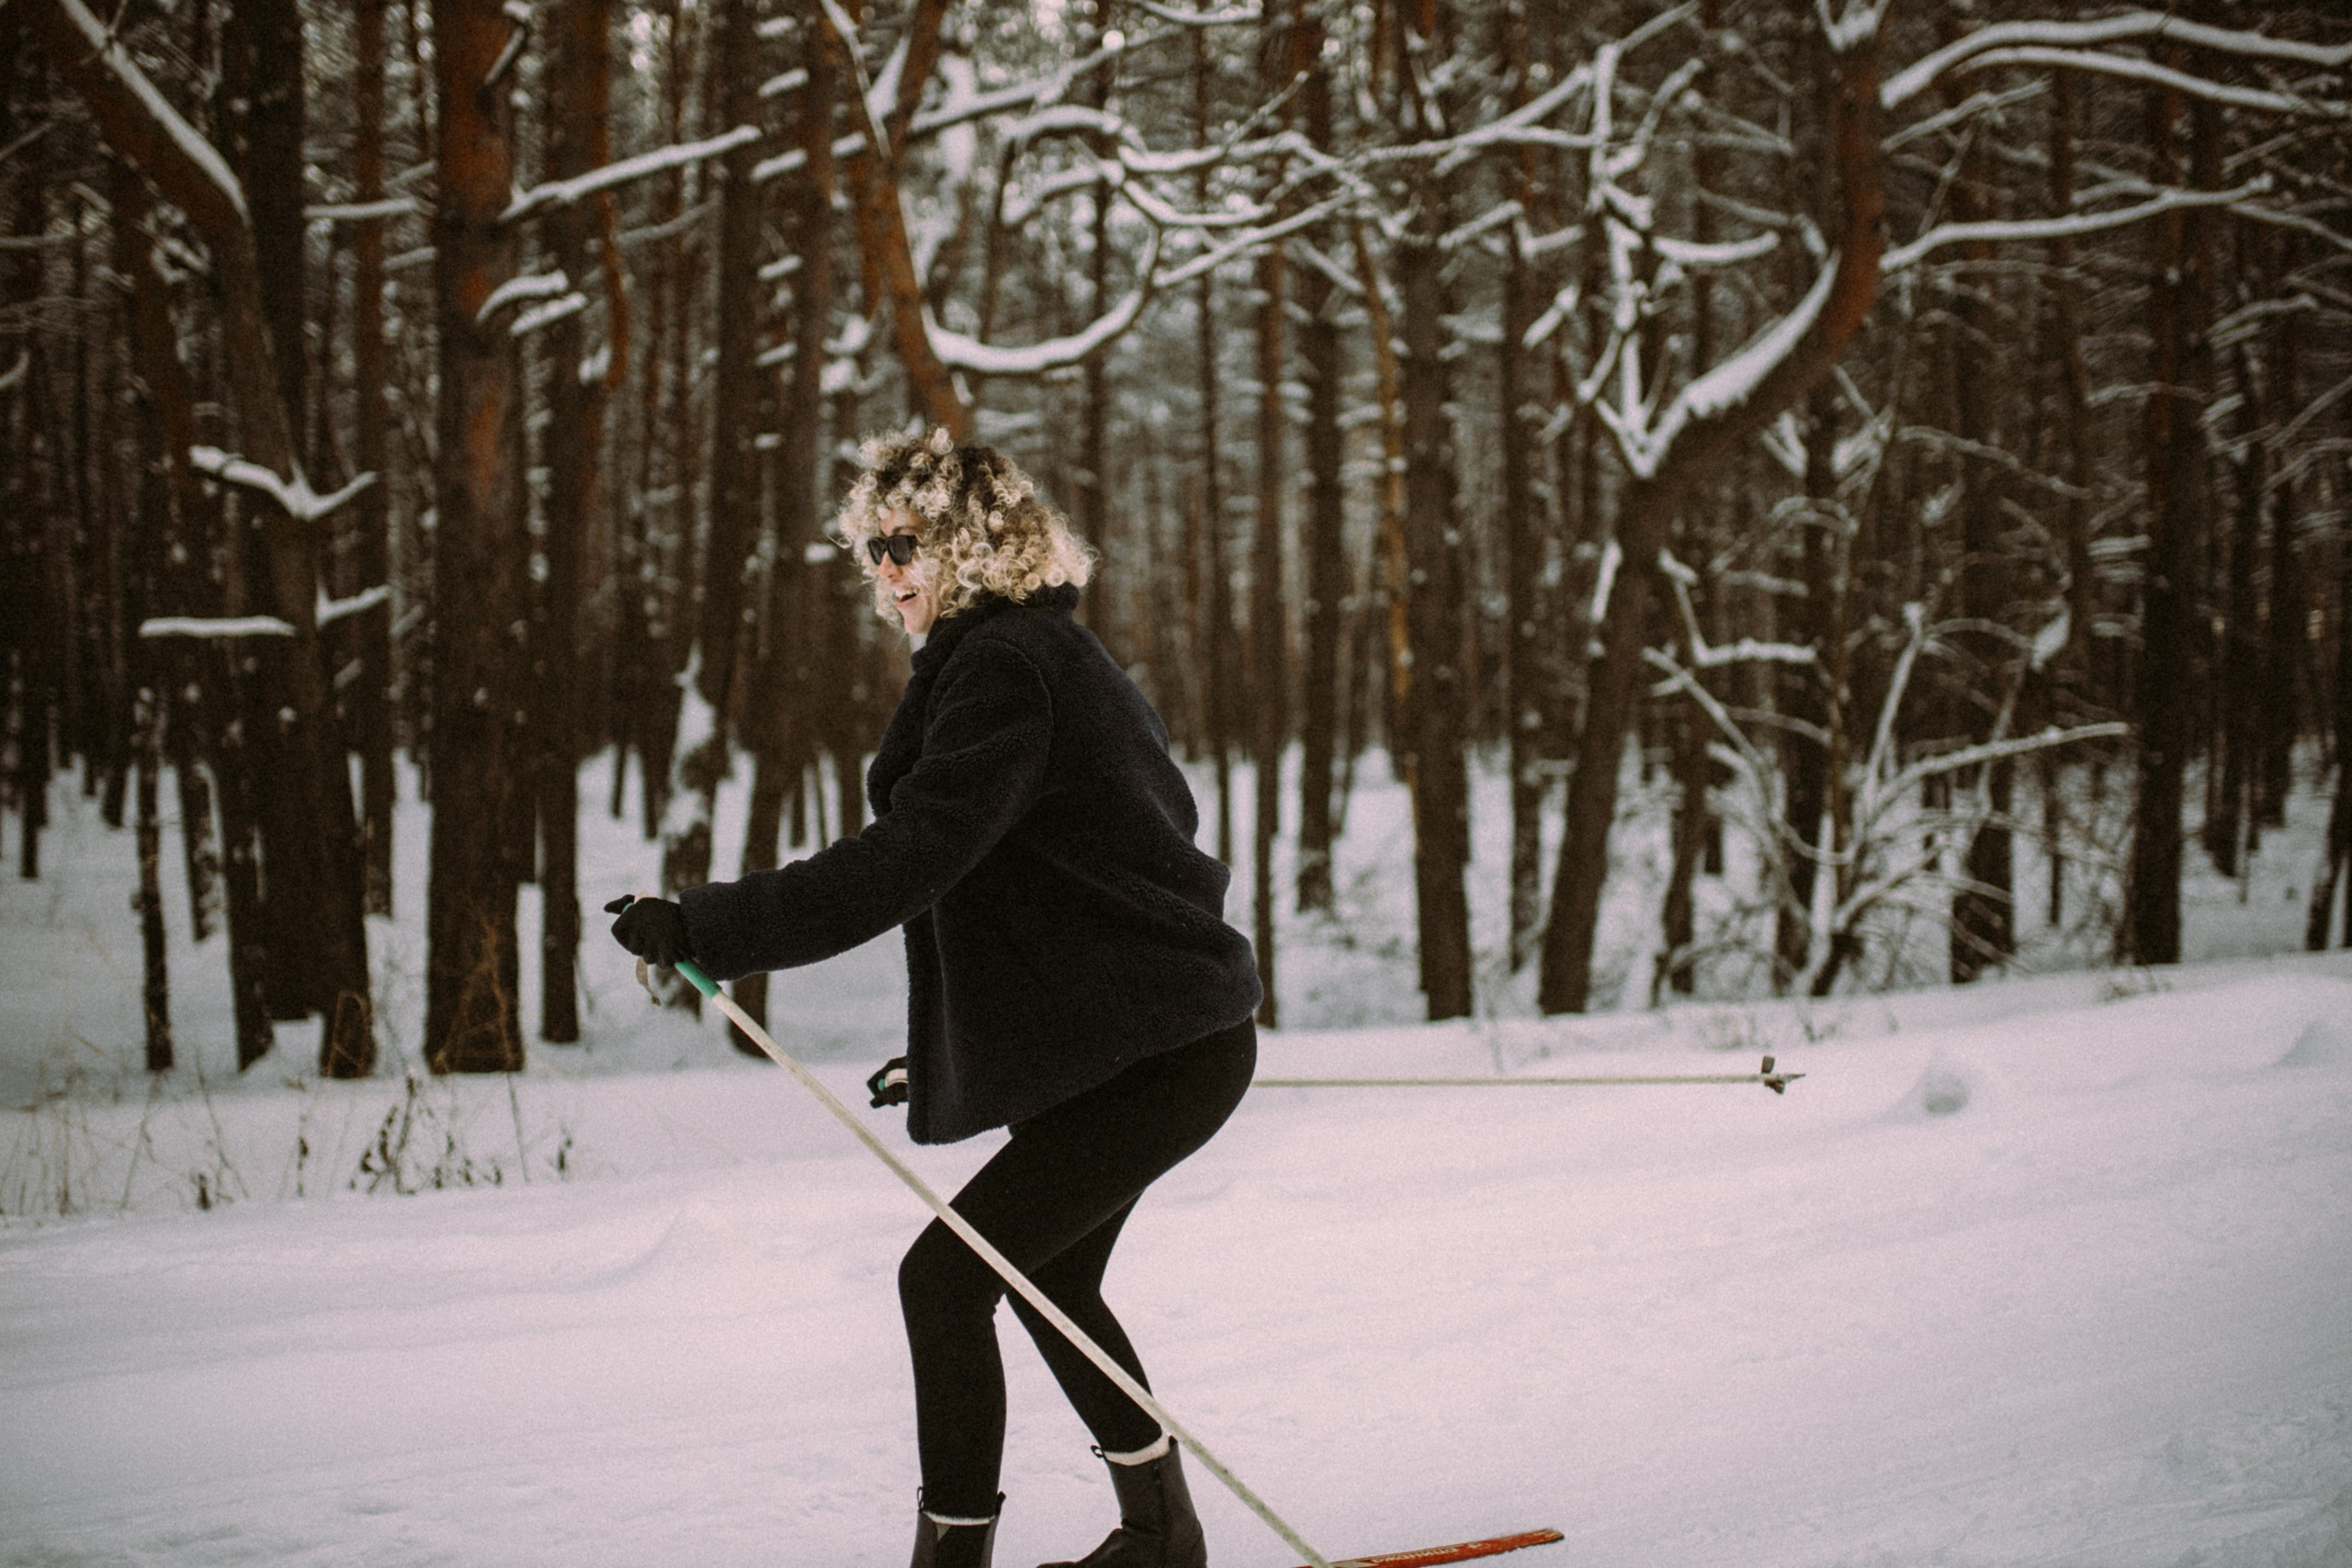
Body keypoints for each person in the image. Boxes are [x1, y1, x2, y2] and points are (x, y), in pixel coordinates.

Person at [608, 427, 1262, 1568]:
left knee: (947, 1280)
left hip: (1165, 1052)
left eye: (904, 545)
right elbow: (1054, 876)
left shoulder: (1009, 664)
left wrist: (709, 923)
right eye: (868, 549)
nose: (882, 573)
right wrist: (974, 1041)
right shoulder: (1028, 656)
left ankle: (963, 1557)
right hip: (1145, 1041)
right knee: (1046, 1276)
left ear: (972, 547)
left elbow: (916, 856)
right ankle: (1161, 1538)